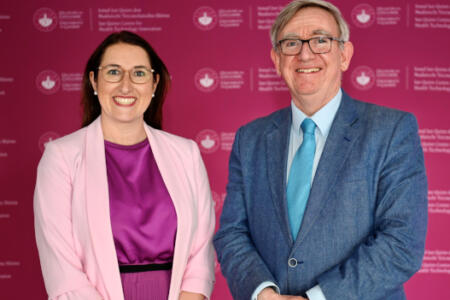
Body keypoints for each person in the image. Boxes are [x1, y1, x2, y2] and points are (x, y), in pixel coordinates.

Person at [213, 1, 427, 300]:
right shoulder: (250, 138)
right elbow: (232, 233)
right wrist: (262, 294)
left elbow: (402, 242)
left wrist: (316, 298)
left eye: (320, 40)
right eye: (291, 43)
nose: (304, 53)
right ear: (276, 60)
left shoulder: (391, 131)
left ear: (344, 55)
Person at [34, 31, 215, 300]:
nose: (126, 86)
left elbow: (201, 254)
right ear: (94, 80)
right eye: (114, 72)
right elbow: (62, 270)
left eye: (139, 73)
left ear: (154, 84)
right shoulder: (60, 157)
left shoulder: (185, 153)